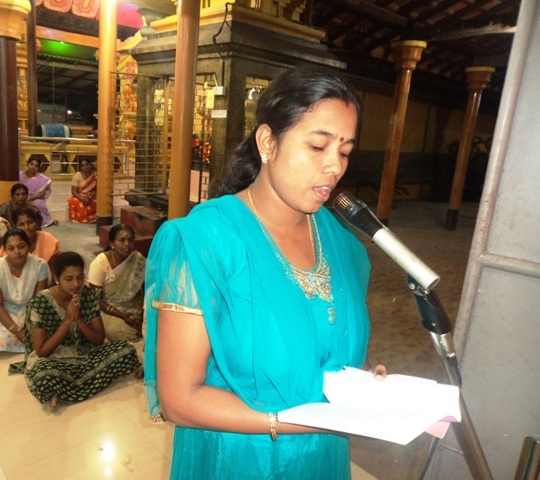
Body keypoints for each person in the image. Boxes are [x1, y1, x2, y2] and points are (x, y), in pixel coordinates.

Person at [143, 68, 387, 479]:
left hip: (322, 457)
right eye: (318, 146)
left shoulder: (340, 243)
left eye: (344, 151)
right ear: (267, 142)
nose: (334, 167)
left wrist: (363, 384)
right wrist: (307, 421)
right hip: (238, 460)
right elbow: (179, 400)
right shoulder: (206, 241)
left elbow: (326, 348)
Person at [22, 252, 141, 411]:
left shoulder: (89, 295)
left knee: (126, 350)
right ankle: (72, 385)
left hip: (88, 354)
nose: (76, 284)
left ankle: (64, 389)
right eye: (68, 279)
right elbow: (42, 352)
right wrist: (67, 321)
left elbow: (98, 340)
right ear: (57, 278)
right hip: (55, 358)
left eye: (80, 277)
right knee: (42, 375)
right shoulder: (40, 303)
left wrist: (78, 319)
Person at [0, 229, 49, 354]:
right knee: (5, 340)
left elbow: (38, 301)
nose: (17, 252)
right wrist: (17, 331)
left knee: (47, 334)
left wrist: (30, 324)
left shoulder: (40, 265)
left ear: (29, 246)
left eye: (21, 246)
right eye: (11, 248)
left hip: (31, 309)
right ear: (5, 250)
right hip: (6, 311)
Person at [88, 224, 145, 344]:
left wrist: (141, 311)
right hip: (108, 310)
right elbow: (95, 300)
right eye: (122, 240)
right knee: (123, 333)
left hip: (135, 307)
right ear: (112, 243)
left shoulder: (138, 259)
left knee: (156, 324)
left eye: (130, 240)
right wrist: (123, 315)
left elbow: (148, 289)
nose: (127, 244)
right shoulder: (100, 263)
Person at [19, 157, 55, 228]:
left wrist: (30, 199)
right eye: (31, 164)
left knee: (38, 203)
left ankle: (41, 222)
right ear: (27, 164)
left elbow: (41, 193)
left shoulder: (43, 179)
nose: (33, 167)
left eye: (36, 166)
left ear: (38, 168)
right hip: (21, 195)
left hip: (34, 198)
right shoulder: (19, 175)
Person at [68, 158, 97, 224]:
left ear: (90, 165)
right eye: (82, 165)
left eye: (87, 164)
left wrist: (90, 197)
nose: (85, 167)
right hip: (80, 195)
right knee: (73, 201)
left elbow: (97, 189)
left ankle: (93, 218)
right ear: (80, 168)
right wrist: (82, 198)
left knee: (98, 201)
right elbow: (73, 191)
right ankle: (81, 219)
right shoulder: (78, 175)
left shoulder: (95, 175)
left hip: (92, 195)